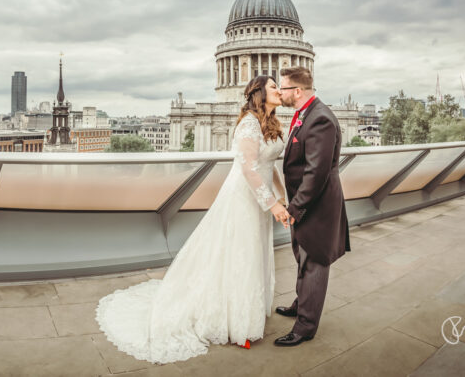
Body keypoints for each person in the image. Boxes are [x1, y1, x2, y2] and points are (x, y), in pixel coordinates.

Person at [95, 75, 289, 364]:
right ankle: (234, 322)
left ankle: (245, 312)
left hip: (260, 197)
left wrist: (280, 195)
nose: (280, 90)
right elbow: (248, 168)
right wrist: (272, 203)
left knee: (252, 253)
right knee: (240, 254)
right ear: (260, 92)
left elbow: (267, 164)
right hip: (245, 197)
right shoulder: (249, 122)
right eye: (274, 86)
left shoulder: (271, 122)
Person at [273, 67, 351, 347]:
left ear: (297, 91)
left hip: (314, 206)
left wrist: (294, 209)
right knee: (302, 258)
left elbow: (316, 173)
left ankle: (305, 327)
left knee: (314, 262)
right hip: (305, 203)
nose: (279, 92)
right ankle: (301, 304)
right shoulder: (306, 114)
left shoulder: (320, 119)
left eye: (282, 87)